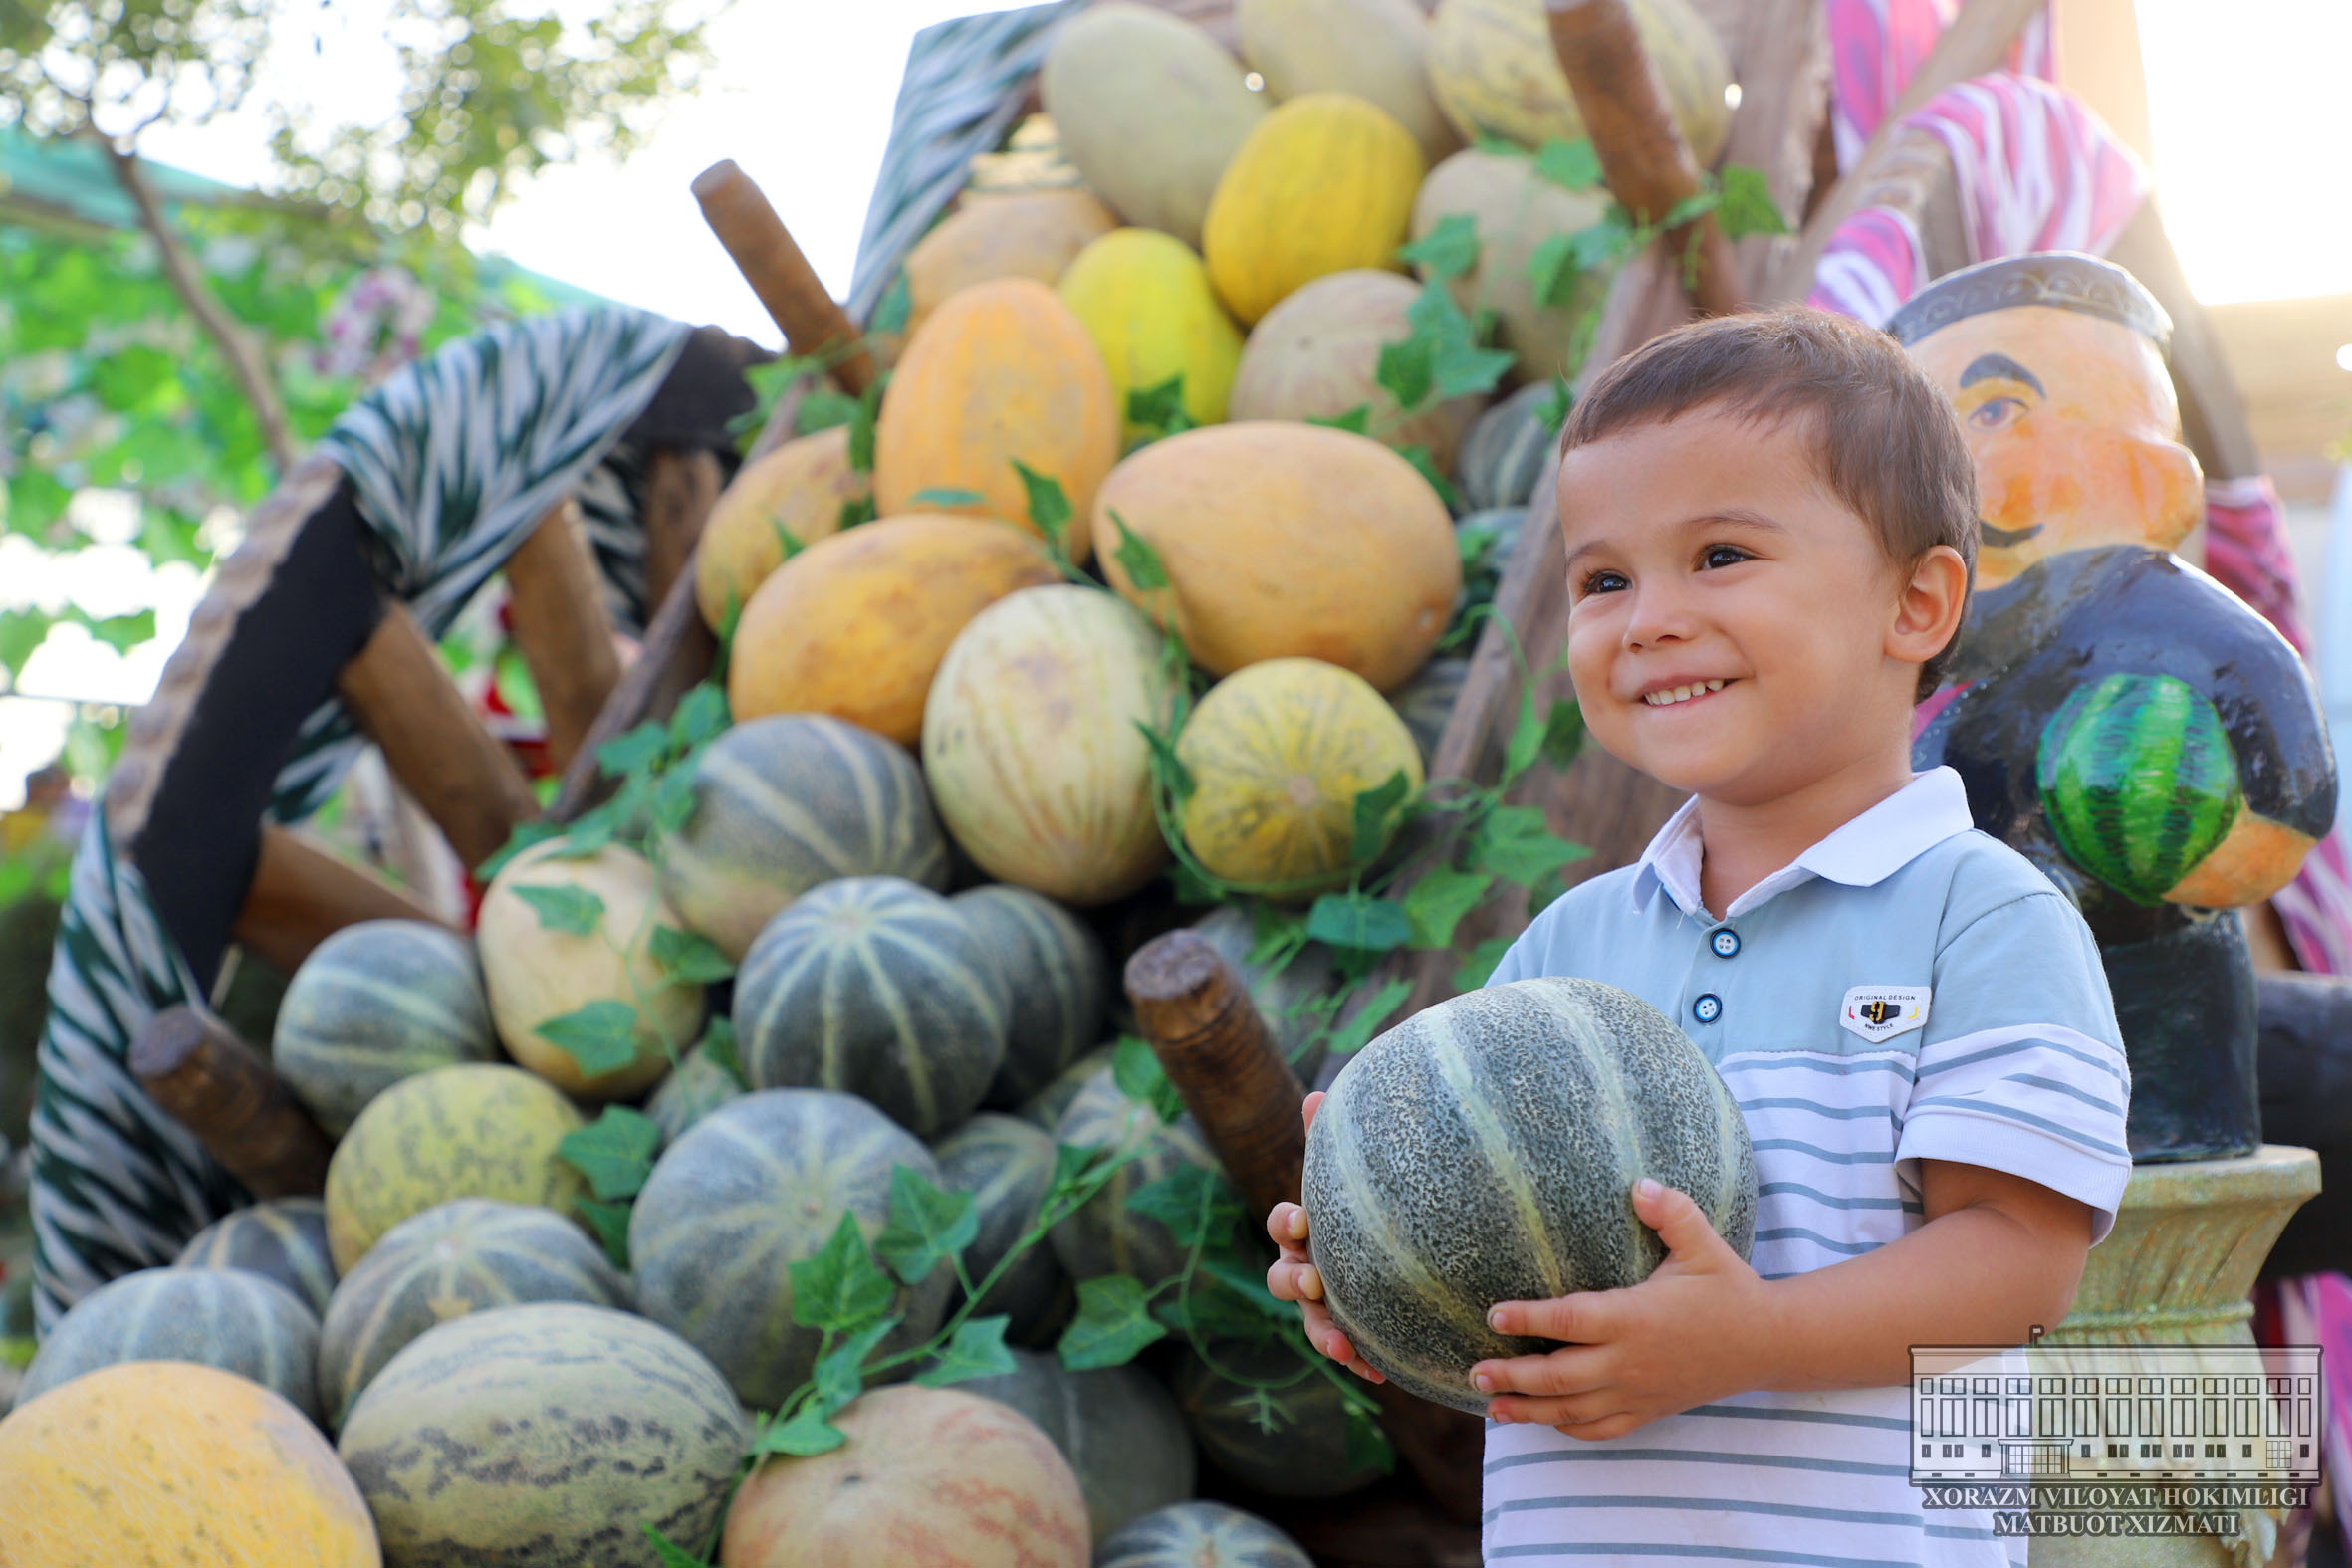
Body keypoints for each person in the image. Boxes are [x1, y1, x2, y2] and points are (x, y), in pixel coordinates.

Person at [1268, 308, 2131, 1566]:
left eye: (1720, 554)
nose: (1648, 618)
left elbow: (2017, 1264)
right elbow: (1497, 1284)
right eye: (1604, 578)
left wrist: (1750, 1338)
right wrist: (1370, 1261)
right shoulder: (1567, 946)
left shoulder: (1980, 918)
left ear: (1915, 601)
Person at [1895, 252, 2335, 1162]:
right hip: (1977, 1077)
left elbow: (2294, 790)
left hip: (2150, 1066)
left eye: (1989, 414)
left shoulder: (2172, 625)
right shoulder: (1942, 646)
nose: (1954, 468)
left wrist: (2167, 834)